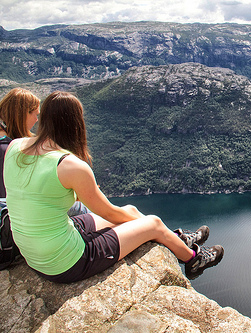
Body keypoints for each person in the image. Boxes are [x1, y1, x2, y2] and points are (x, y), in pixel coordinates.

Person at [4, 91, 223, 282]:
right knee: (153, 223)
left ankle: (175, 239)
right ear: (75, 124)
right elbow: (108, 212)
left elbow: (39, 194)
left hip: (34, 252)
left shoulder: (15, 146)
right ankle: (194, 259)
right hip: (65, 262)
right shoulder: (71, 166)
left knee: (130, 210)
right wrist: (149, 229)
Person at [0, 87, 89, 215]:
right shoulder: (8, 148)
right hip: (17, 213)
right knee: (82, 209)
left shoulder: (9, 143)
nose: (36, 120)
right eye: (35, 114)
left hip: (16, 211)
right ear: (22, 115)